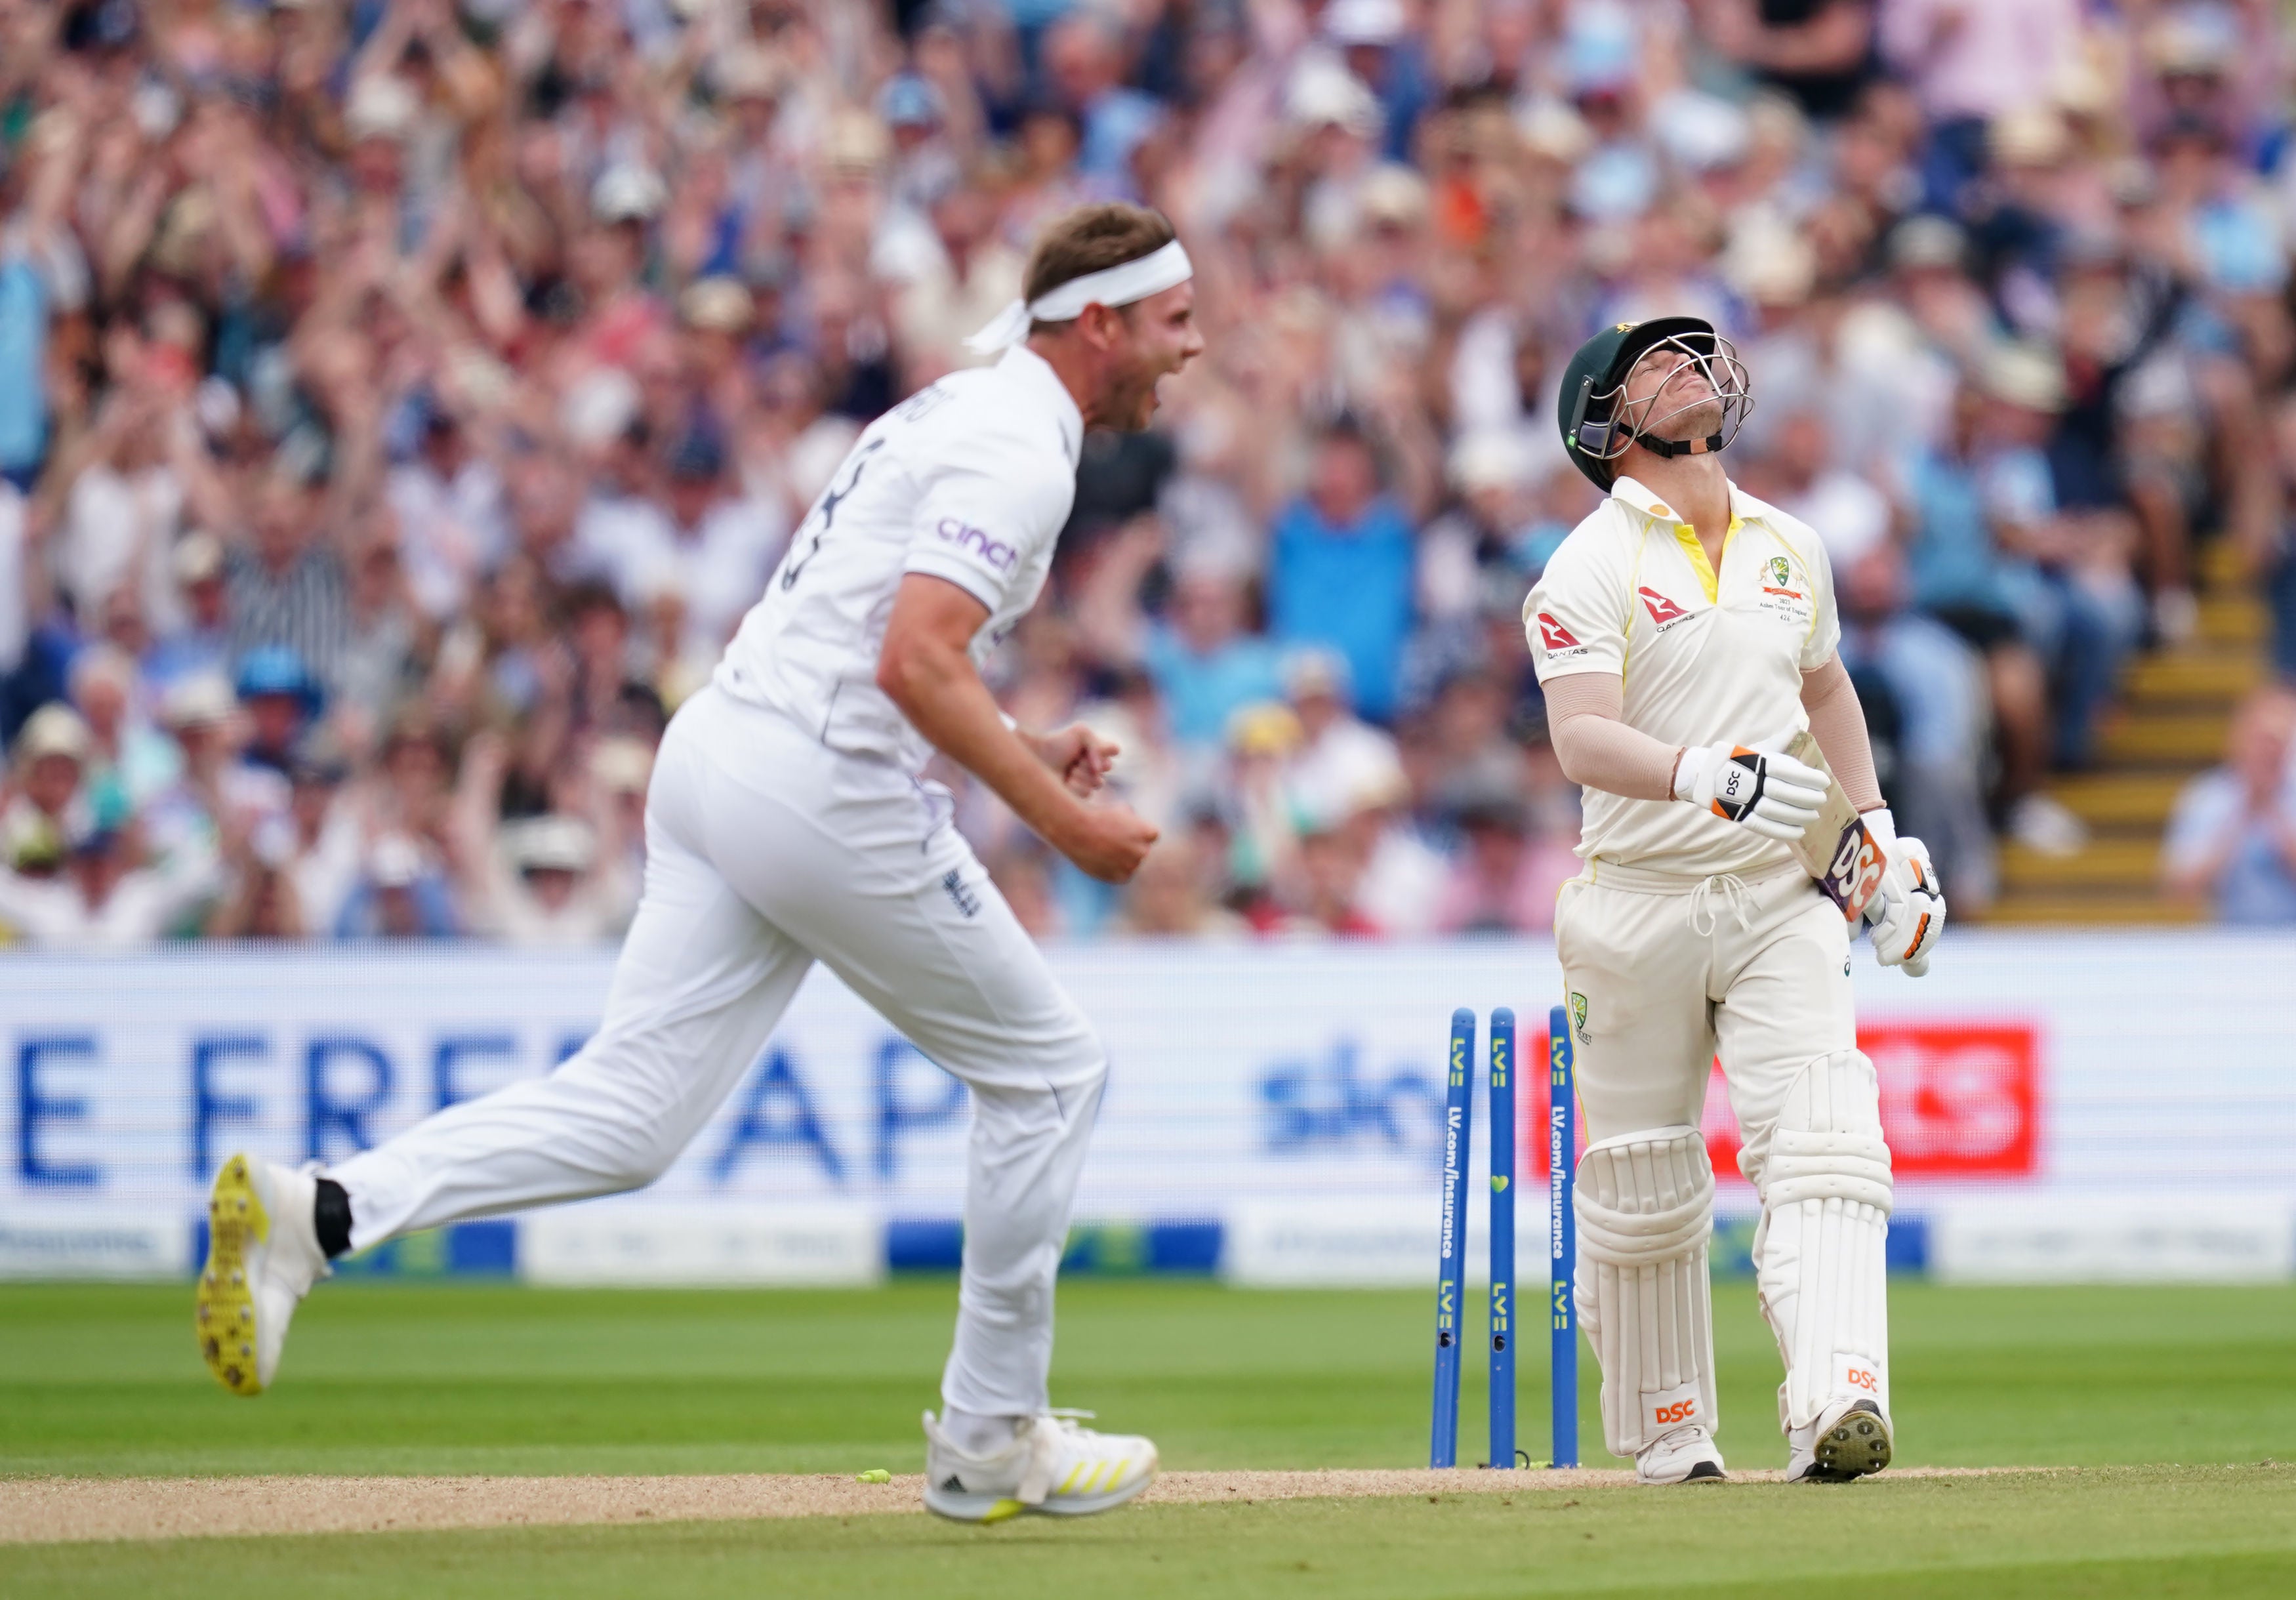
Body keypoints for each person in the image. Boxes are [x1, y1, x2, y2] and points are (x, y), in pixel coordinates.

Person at [194, 203, 1201, 1525]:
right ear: (1100, 321)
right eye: (1174, 323)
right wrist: (1059, 823)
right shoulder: (1020, 448)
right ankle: (987, 1436)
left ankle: (316, 1212)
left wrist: (1016, 739)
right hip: (820, 790)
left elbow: (877, 644)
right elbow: (909, 660)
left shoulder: (954, 411)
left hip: (722, 750)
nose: (1188, 352)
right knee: (1052, 1072)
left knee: (630, 1114)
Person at [1523, 317, 1948, 1488]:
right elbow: (1578, 738)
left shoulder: (1789, 544)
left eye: (1695, 354)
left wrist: (1874, 838)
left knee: (1825, 1141)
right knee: (1644, 1181)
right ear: (1605, 423)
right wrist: (1690, 772)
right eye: (1656, 363)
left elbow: (1827, 691)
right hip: (1636, 901)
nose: (1690, 369)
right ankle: (1671, 1428)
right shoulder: (1587, 565)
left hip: (1776, 896)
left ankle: (1838, 1400)